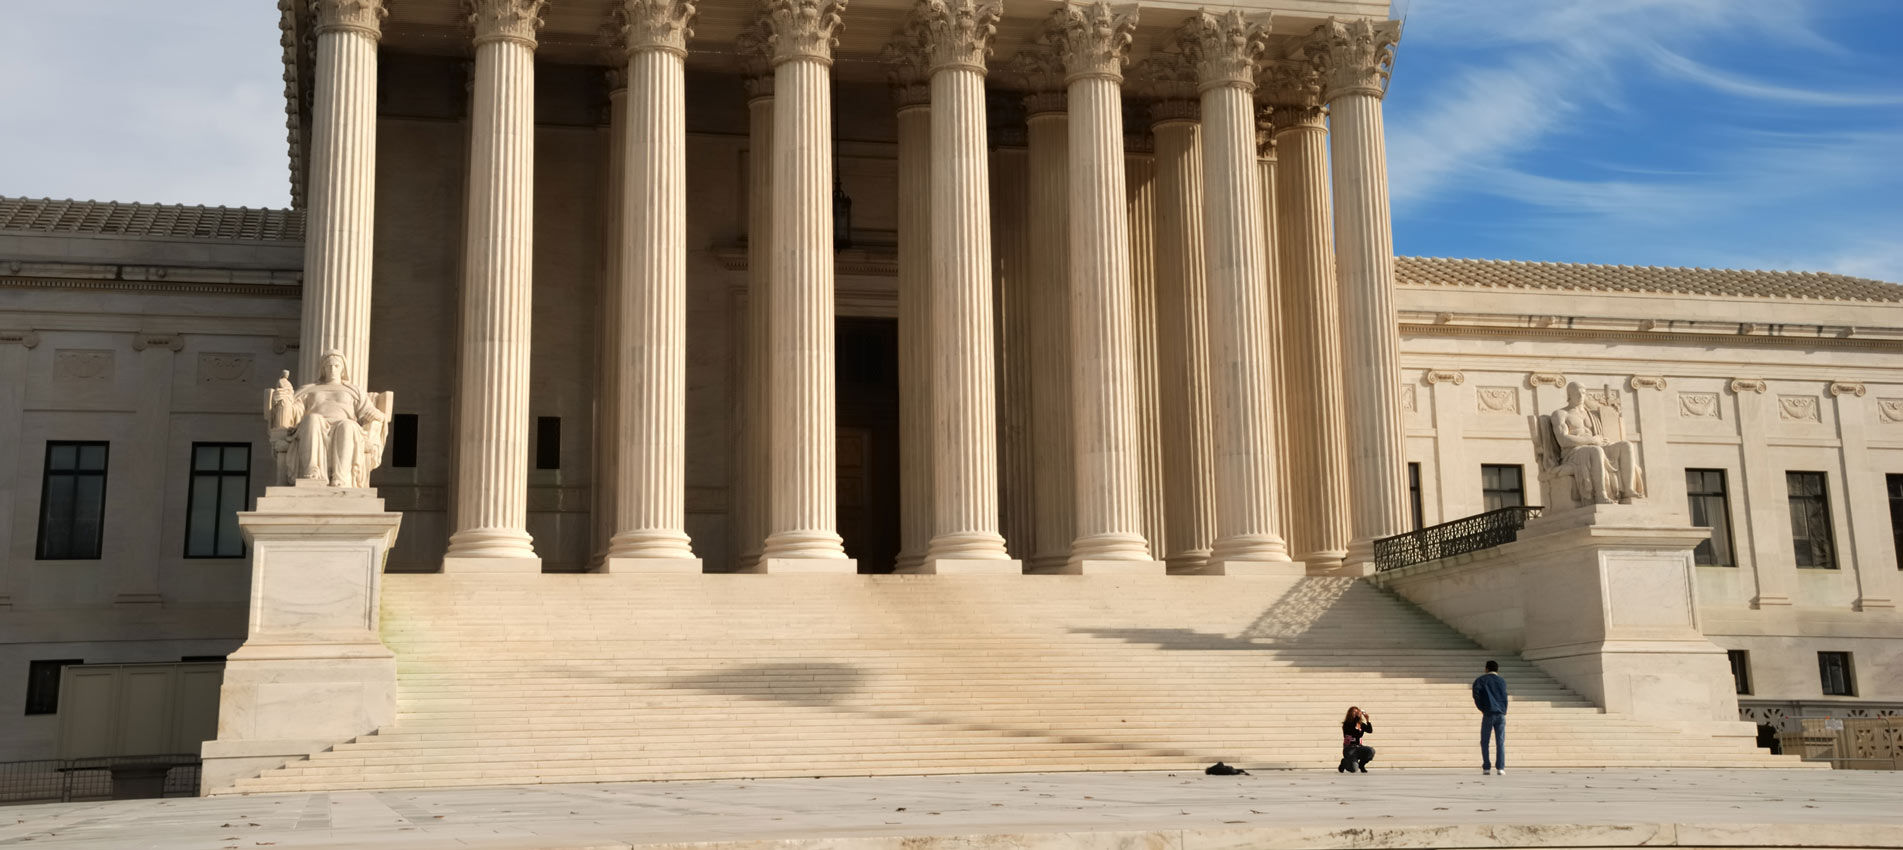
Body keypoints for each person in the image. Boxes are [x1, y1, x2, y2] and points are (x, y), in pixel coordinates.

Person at [1473, 660, 1508, 775]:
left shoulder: (1481, 680)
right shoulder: (1502, 681)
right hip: (1501, 713)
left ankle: (1487, 766)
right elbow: (1504, 696)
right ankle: (1500, 767)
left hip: (1488, 713)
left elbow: (1476, 695)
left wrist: (1482, 708)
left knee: (1485, 741)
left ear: (1486, 669)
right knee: (1500, 741)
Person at [1338, 706, 1374, 773]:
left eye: (1357, 712)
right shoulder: (1347, 724)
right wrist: (1357, 718)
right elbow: (1353, 732)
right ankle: (1344, 762)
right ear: (1350, 713)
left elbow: (1370, 730)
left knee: (1370, 751)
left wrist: (1368, 720)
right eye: (1354, 712)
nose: (1356, 713)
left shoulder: (1360, 724)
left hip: (1359, 747)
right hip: (1349, 749)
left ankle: (1361, 765)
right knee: (1353, 769)